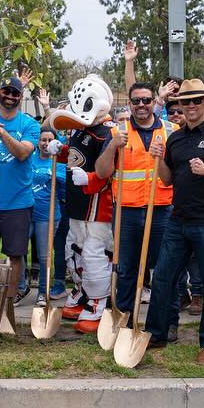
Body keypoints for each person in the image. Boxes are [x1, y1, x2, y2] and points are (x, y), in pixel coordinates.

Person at [145, 78, 204, 363]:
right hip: (178, 219)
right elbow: (167, 179)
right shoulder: (174, 138)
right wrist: (159, 158)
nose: (191, 106)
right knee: (162, 278)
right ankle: (156, 334)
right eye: (186, 102)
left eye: (196, 101)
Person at [95, 81, 175, 325]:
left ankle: (163, 323)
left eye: (146, 100)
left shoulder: (171, 131)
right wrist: (112, 147)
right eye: (136, 101)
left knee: (163, 268)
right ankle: (125, 320)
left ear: (154, 103)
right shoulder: (116, 131)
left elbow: (175, 173)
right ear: (129, 104)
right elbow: (101, 172)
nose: (141, 105)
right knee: (127, 267)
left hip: (161, 209)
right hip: (127, 210)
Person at [53, 75, 117, 332]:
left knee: (93, 253)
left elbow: (108, 170)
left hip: (97, 206)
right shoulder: (80, 130)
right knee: (73, 248)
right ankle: (81, 290)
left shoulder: (109, 133)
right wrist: (63, 152)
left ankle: (99, 300)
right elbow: (79, 157)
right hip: (76, 202)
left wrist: (89, 179)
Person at [0, 76, 40, 319]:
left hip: (17, 202)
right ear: (0, 93)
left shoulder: (29, 124)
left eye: (15, 93)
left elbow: (23, 153)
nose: (10, 96)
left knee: (15, 254)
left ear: (20, 97)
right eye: (6, 92)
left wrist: (1, 134)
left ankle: (8, 305)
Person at [26, 126, 67, 297]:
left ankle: (43, 292)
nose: (46, 143)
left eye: (50, 140)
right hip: (25, 212)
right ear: (38, 141)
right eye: (43, 140)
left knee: (44, 257)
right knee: (18, 251)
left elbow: (65, 188)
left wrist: (56, 176)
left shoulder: (59, 163)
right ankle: (21, 287)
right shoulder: (28, 159)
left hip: (47, 216)